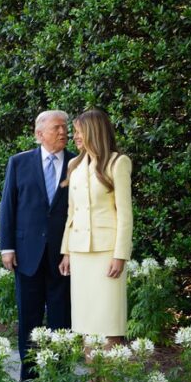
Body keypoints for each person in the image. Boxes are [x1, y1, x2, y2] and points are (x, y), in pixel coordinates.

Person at [0, 110, 75, 382]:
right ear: (39, 133)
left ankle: (59, 379)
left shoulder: (77, 163)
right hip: (26, 253)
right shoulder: (19, 162)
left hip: (62, 256)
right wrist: (7, 247)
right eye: (57, 127)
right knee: (29, 317)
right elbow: (8, 205)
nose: (63, 132)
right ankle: (29, 379)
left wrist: (71, 250)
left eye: (65, 127)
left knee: (61, 318)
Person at [58, 109, 133, 348]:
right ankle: (92, 374)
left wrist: (120, 255)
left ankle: (110, 374)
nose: (75, 137)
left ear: (94, 132)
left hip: (107, 254)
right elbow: (71, 213)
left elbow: (125, 214)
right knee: (86, 326)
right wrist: (66, 252)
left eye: (80, 132)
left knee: (109, 324)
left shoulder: (118, 163)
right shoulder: (74, 165)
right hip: (79, 254)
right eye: (75, 132)